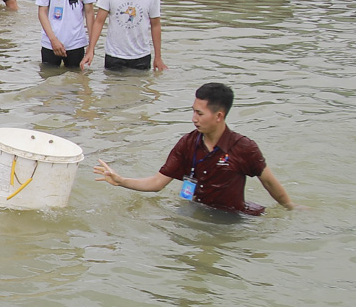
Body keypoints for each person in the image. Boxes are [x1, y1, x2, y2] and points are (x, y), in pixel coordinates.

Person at [94, 82, 297, 215]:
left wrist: (291, 208)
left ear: (219, 116)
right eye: (193, 111)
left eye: (200, 114)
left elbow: (269, 183)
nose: (194, 119)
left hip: (231, 219)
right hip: (195, 211)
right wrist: (121, 181)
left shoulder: (244, 147)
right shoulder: (188, 143)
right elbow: (157, 183)